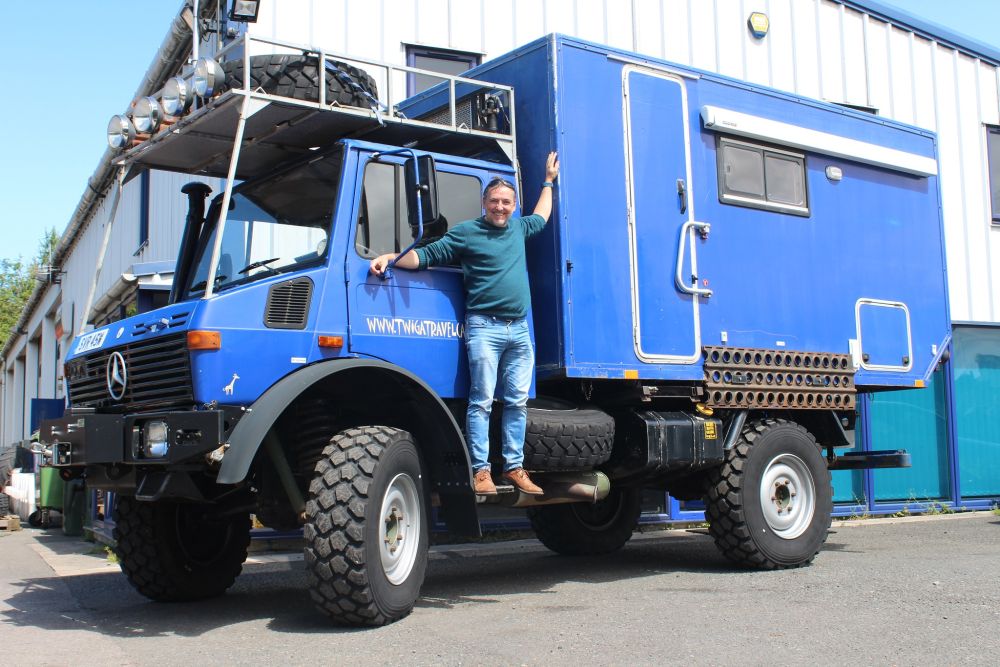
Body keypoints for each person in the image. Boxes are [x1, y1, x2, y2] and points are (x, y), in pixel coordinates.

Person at [370, 152, 560, 496]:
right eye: (494, 202)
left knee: (517, 402)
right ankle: (481, 472)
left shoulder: (519, 227)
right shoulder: (467, 233)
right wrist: (391, 259)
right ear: (483, 203)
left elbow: (542, 216)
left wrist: (548, 180)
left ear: (513, 205)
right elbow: (427, 255)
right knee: (482, 400)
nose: (500, 207)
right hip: (484, 328)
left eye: (506, 202)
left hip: (518, 330)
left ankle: (515, 468)